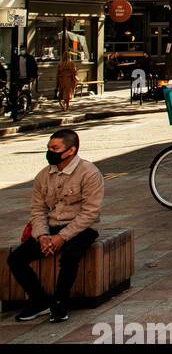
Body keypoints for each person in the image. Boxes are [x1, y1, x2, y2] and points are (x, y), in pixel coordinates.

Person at [7, 128, 103, 322]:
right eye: (48, 147)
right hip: (51, 227)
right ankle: (39, 301)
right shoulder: (43, 175)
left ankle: (60, 303)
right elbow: (38, 209)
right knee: (16, 258)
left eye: (55, 148)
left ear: (71, 151)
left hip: (80, 228)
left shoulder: (89, 173)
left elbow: (90, 212)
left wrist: (62, 237)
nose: (50, 151)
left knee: (70, 256)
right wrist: (42, 235)